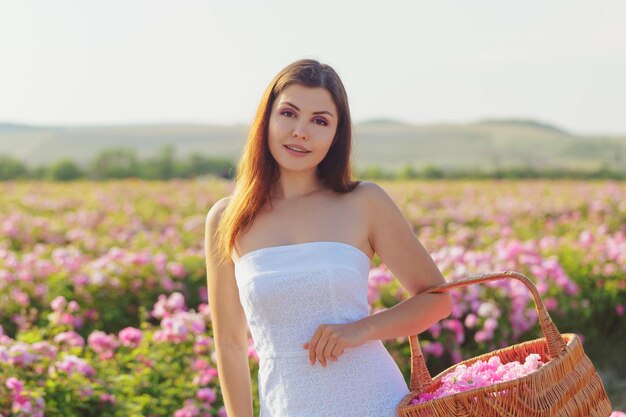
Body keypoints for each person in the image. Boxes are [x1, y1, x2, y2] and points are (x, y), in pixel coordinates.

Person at [204, 58, 452, 417]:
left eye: (320, 121)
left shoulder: (364, 202)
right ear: (267, 120)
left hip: (374, 401)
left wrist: (362, 329)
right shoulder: (227, 219)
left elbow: (436, 299)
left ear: (337, 135)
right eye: (289, 114)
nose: (301, 131)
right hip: (288, 406)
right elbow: (228, 342)